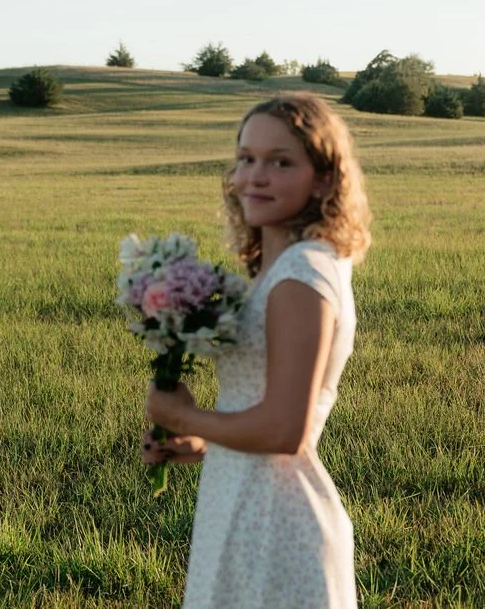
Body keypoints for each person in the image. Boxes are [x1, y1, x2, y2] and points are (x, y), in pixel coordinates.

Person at [142, 92, 372, 608]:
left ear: (323, 178)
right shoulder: (282, 267)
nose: (255, 176)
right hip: (243, 502)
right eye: (246, 158)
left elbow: (285, 430)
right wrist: (198, 443)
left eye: (280, 162)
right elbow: (259, 411)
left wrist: (185, 415)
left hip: (275, 524)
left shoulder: (301, 275)